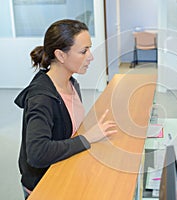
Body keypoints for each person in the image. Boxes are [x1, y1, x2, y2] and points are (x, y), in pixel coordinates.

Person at [14, 19, 117, 199]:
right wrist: (87, 138)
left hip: (65, 168)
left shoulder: (71, 83)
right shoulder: (42, 98)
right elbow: (37, 153)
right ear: (61, 56)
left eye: (89, 48)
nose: (91, 56)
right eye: (84, 51)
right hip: (44, 184)